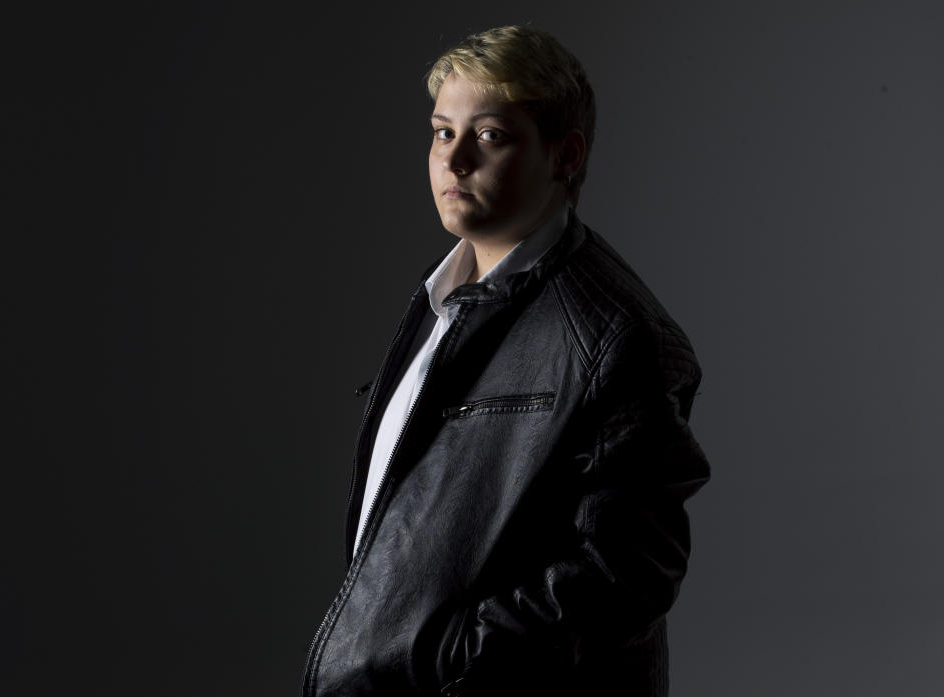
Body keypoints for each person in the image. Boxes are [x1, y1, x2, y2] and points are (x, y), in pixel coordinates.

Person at [301, 25, 710, 697]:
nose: (452, 160)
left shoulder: (612, 333)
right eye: (441, 132)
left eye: (489, 136)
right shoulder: (443, 299)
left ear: (564, 154)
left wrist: (444, 659)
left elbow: (630, 572)